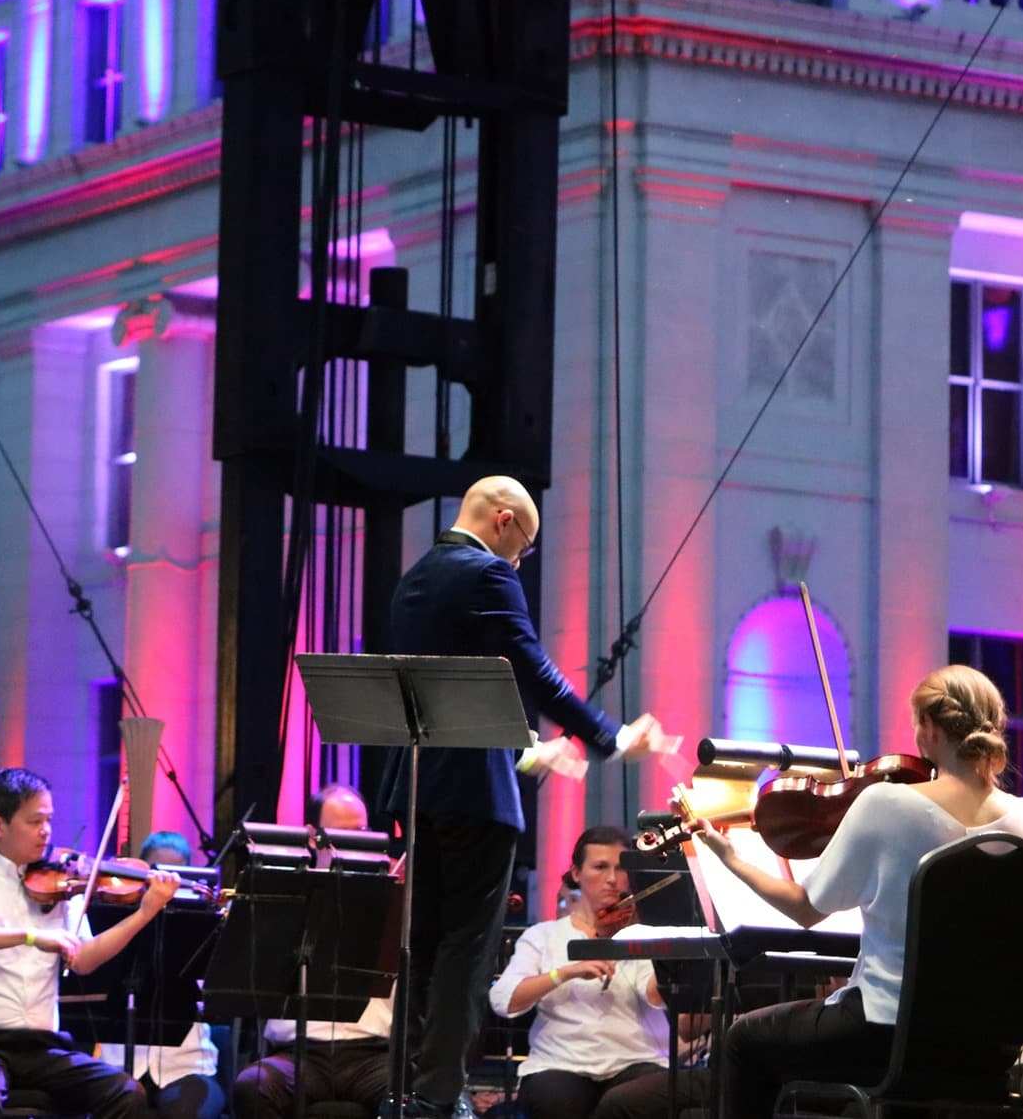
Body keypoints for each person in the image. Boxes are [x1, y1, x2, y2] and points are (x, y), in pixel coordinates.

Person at [381, 475, 671, 1117]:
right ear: (504, 520)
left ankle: (404, 1088)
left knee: (421, 942)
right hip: (474, 798)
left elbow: (450, 693)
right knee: (466, 946)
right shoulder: (487, 573)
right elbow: (530, 669)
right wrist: (614, 737)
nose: (519, 562)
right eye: (524, 547)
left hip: (419, 786)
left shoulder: (416, 578)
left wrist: (526, 752)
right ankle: (437, 1097)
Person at [684, 663, 1023, 1117]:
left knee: (742, 1040)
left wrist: (731, 858)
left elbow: (805, 910)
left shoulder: (886, 804)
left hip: (887, 1033)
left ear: (931, 729)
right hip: (991, 1048)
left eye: (918, 723)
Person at [0, 766, 179, 1119]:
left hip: (43, 1047)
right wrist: (31, 936)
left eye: (48, 819)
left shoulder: (61, 882)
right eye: (34, 822)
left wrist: (144, 913)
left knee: (126, 1092)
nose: (45, 831)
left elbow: (86, 959)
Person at [233, 787, 396, 1119]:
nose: (355, 845)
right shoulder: (284, 896)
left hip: (372, 1054)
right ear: (312, 836)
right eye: (341, 834)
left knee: (415, 1096)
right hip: (299, 1054)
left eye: (361, 834)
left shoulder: (393, 895)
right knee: (253, 1086)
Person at [488, 828, 669, 1119]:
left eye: (621, 868)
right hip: (560, 1062)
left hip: (637, 1058)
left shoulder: (640, 933)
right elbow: (504, 1000)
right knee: (557, 1102)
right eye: (600, 867)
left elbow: (654, 997)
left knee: (637, 1101)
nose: (612, 879)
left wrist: (660, 944)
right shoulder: (543, 936)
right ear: (576, 873)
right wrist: (566, 972)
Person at [98, 831, 224, 1119]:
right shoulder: (115, 922)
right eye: (157, 875)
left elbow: (216, 996)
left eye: (175, 876)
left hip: (189, 1068)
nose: (166, 886)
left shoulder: (204, 929)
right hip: (118, 1065)